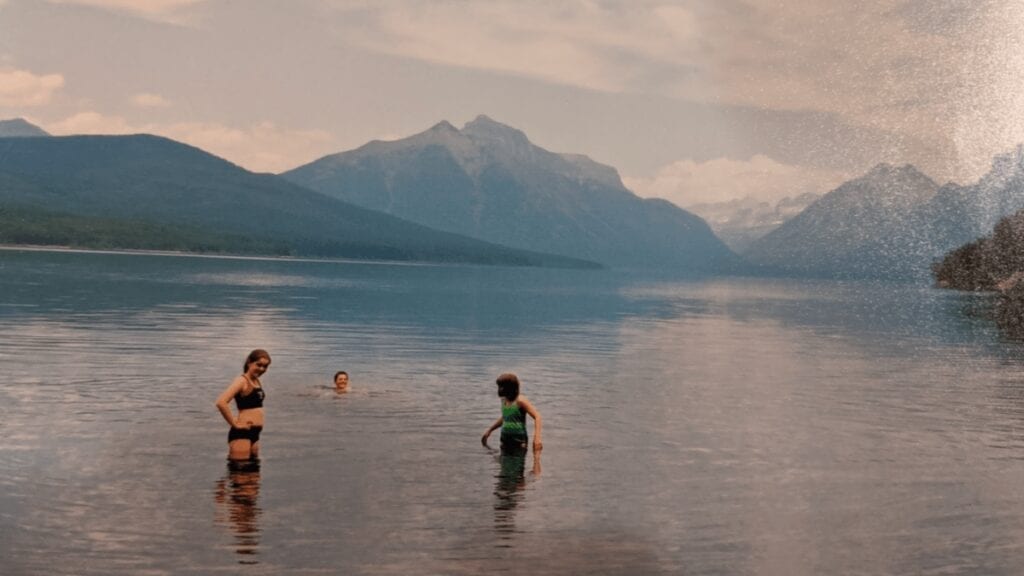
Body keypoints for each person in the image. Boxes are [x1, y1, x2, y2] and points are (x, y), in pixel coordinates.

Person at [215, 349, 271, 461]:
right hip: (242, 432)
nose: (262, 369)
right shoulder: (242, 381)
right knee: (240, 473)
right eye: (258, 365)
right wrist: (235, 424)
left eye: (265, 366)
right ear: (249, 362)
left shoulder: (256, 381)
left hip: (255, 433)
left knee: (253, 475)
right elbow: (221, 402)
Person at [481, 372, 543, 453]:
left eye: (502, 387)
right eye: (499, 386)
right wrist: (490, 430)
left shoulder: (520, 400)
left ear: (510, 387)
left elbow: (537, 416)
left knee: (517, 464)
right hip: (505, 441)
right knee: (504, 464)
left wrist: (537, 438)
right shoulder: (504, 400)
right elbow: (505, 417)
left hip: (519, 443)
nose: (499, 389)